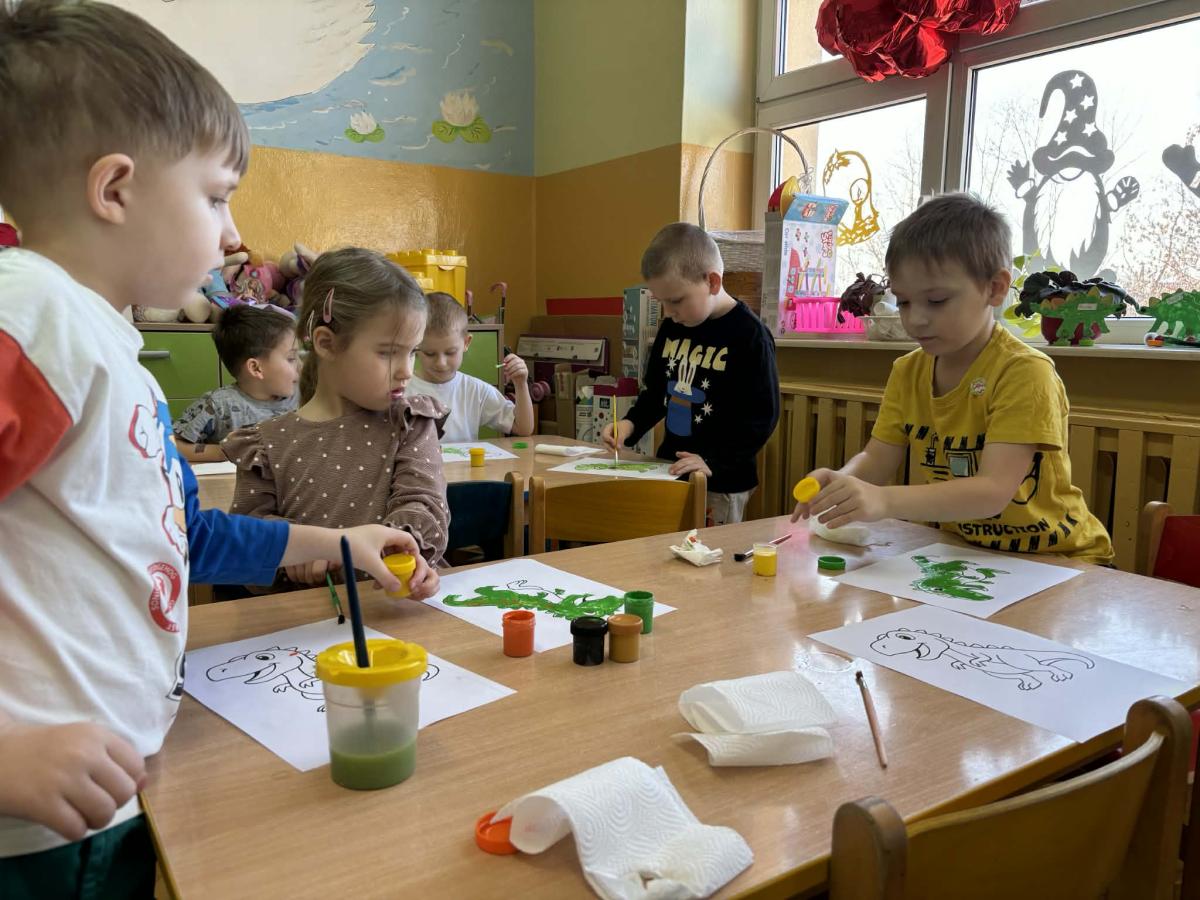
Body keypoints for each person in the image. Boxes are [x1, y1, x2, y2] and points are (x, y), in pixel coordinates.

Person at [0, 3, 428, 894]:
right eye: (215, 195)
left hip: (114, 784)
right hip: (38, 820)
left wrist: (338, 543)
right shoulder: (35, 316)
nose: (233, 236)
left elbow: (185, 536)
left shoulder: (102, 345)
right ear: (115, 190)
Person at [792, 193, 1113, 564]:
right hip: (972, 555)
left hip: (1064, 558)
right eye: (904, 301)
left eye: (937, 301)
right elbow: (876, 458)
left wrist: (884, 500)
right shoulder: (908, 371)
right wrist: (842, 481)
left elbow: (992, 491)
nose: (916, 319)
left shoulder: (1024, 372)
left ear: (995, 288)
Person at [224, 248, 449, 589]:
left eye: (412, 352)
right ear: (326, 344)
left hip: (397, 602)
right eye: (388, 353)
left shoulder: (410, 420)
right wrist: (300, 548)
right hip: (307, 613)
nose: (406, 371)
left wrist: (399, 546)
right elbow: (247, 536)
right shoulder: (264, 445)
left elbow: (424, 504)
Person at [604, 223, 780, 525]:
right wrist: (630, 424)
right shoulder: (673, 327)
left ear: (712, 282)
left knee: (708, 553)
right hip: (670, 470)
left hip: (720, 482)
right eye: (662, 302)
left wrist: (714, 463)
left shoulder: (750, 336)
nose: (669, 312)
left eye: (675, 301)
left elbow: (763, 417)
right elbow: (656, 392)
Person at [174, 303, 300, 462]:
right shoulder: (218, 406)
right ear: (256, 368)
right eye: (291, 358)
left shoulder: (303, 397)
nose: (301, 366)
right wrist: (222, 452)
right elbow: (173, 445)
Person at [408, 291, 534, 441]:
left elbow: (523, 428)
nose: (441, 363)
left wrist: (520, 384)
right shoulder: (401, 390)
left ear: (466, 343)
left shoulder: (476, 390)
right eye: (430, 353)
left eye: (450, 352)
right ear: (415, 345)